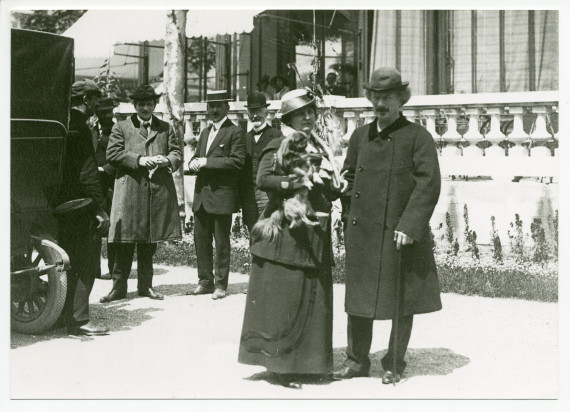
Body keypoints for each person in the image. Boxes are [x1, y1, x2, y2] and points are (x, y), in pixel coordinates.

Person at [332, 67, 442, 384]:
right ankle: (356, 361)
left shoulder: (418, 137)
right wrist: (347, 209)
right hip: (363, 232)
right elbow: (349, 176)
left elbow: (428, 185)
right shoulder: (359, 136)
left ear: (400, 100)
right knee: (359, 299)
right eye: (376, 98)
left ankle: (394, 361)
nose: (381, 104)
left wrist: (409, 225)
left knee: (400, 298)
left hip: (399, 234)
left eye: (388, 98)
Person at [238, 89, 347, 388]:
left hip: (313, 234)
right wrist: (298, 180)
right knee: (287, 297)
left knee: (315, 297)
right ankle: (282, 367)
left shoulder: (319, 145)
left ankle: (312, 365)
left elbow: (325, 183)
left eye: (312, 112)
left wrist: (334, 184)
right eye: (302, 113)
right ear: (288, 118)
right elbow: (263, 180)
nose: (309, 117)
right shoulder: (278, 143)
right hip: (288, 235)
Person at [99, 84, 182, 303]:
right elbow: (113, 154)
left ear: (155, 105)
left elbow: (176, 152)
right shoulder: (122, 127)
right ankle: (118, 288)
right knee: (124, 242)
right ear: (134, 106)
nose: (145, 108)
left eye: (149, 104)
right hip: (130, 192)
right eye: (141, 104)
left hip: (156, 192)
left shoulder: (166, 128)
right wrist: (139, 160)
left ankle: (146, 286)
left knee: (149, 242)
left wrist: (167, 160)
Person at [58, 79, 110, 336]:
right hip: (80, 203)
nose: (98, 103)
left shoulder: (62, 123)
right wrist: (100, 208)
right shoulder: (82, 127)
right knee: (85, 261)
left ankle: (61, 316)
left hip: (57, 200)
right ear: (87, 100)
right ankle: (79, 321)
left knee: (64, 262)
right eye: (96, 99)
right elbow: (89, 172)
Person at [187, 90, 246, 300]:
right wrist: (193, 163)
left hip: (221, 197)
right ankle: (205, 281)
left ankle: (221, 285)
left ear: (227, 108)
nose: (213, 110)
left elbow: (238, 161)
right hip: (202, 197)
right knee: (200, 241)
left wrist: (206, 162)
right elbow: (196, 157)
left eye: (218, 106)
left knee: (221, 243)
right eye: (210, 106)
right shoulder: (204, 132)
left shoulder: (235, 132)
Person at [239, 91, 282, 232]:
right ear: (248, 113)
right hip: (249, 193)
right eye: (252, 111)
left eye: (258, 111)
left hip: (268, 193)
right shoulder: (244, 138)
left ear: (266, 112)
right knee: (253, 231)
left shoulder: (276, 135)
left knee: (270, 230)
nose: (255, 115)